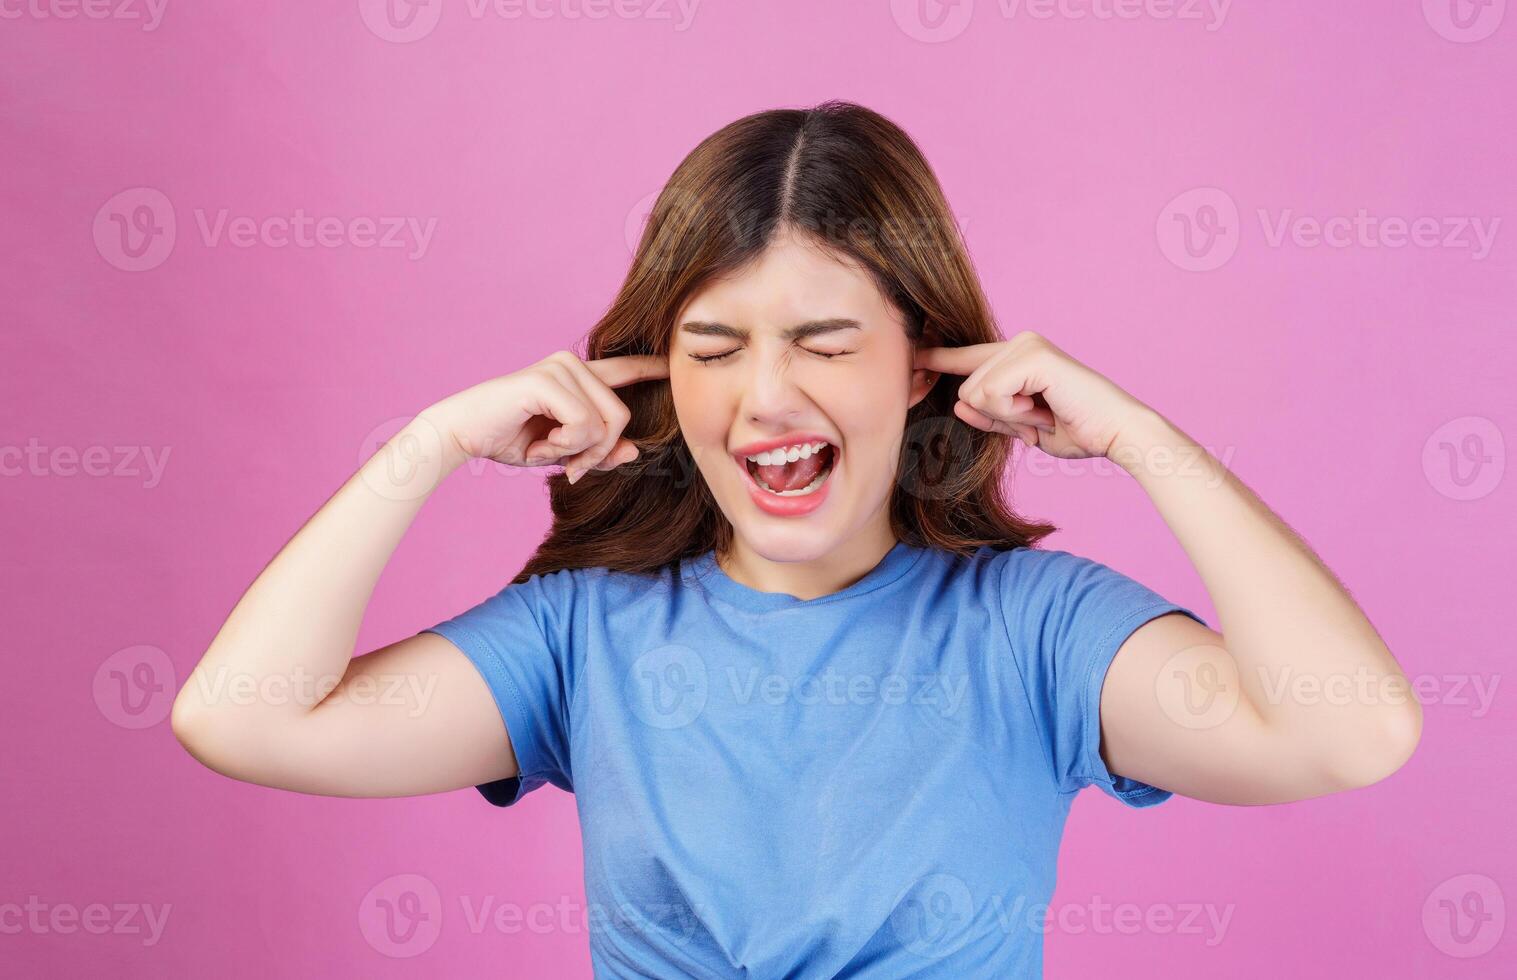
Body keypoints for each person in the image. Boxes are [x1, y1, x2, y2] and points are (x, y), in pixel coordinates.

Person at [171, 100, 1421, 978]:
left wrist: (1140, 433)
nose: (764, 398)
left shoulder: (1037, 630)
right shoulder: (582, 633)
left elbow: (1346, 728)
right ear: (657, 374)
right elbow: (244, 717)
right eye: (713, 350)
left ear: (921, 367)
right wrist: (430, 442)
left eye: (824, 344)